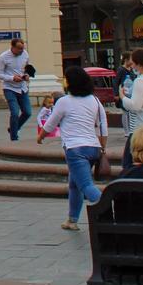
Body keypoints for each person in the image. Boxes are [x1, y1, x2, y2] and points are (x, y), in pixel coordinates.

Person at [37, 65, 108, 231]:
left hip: (75, 150)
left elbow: (50, 124)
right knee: (74, 184)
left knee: (85, 186)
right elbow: (102, 125)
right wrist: (102, 146)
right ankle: (72, 220)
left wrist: (40, 137)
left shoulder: (64, 101)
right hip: (93, 148)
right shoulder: (95, 100)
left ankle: (110, 208)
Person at [0, 37, 33, 141]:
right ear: (12, 47)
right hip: (9, 88)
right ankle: (14, 138)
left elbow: (27, 68)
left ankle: (14, 129)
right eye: (19, 48)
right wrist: (12, 78)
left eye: (23, 48)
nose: (21, 51)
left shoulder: (25, 54)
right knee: (15, 112)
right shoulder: (3, 57)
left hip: (23, 88)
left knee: (28, 112)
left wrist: (27, 75)